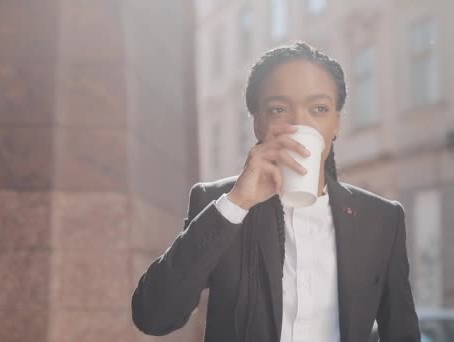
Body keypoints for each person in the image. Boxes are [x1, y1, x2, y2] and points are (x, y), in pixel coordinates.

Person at [131, 42, 420, 342]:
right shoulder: (220, 205)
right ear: (257, 123)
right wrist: (237, 203)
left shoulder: (381, 219)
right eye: (278, 109)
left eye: (319, 109)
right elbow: (153, 316)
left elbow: (401, 332)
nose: (299, 124)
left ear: (336, 123)